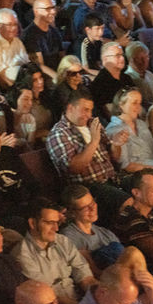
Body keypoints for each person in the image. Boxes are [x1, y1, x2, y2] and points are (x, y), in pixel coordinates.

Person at [46, 88, 130, 226]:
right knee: (128, 203)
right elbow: (74, 168)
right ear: (70, 108)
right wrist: (94, 142)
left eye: (91, 110)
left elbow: (115, 157)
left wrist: (116, 144)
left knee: (146, 185)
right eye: (85, 110)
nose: (89, 115)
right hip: (89, 187)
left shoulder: (92, 123)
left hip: (113, 178)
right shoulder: (59, 133)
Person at [12, 197, 95, 304]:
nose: (56, 228)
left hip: (81, 302)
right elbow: (51, 298)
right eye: (49, 223)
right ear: (32, 223)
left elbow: (85, 278)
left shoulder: (63, 241)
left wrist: (102, 297)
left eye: (57, 222)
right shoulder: (22, 255)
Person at [105, 88, 153, 172]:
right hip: (140, 173)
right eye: (134, 103)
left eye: (139, 103)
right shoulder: (114, 130)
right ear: (121, 105)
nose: (138, 107)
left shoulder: (141, 124)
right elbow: (124, 165)